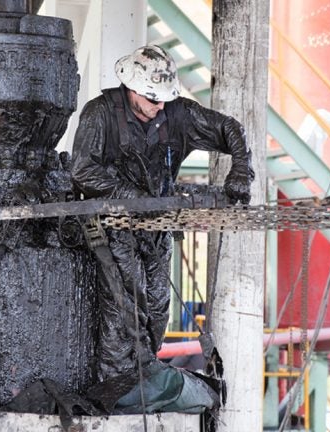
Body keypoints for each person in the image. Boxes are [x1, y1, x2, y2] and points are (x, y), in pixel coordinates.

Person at [70, 45, 255, 380]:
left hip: (157, 230)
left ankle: (143, 377)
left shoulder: (176, 114)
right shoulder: (100, 114)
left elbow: (230, 129)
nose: (158, 107)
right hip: (114, 230)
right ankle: (117, 387)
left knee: (156, 310)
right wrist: (135, 198)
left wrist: (242, 169)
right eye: (152, 99)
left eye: (163, 100)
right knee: (124, 310)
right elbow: (82, 170)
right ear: (131, 88)